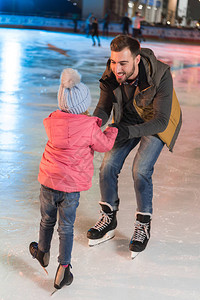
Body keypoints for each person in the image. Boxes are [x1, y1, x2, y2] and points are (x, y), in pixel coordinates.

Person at [87, 35, 182, 258]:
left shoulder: (161, 74)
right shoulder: (113, 73)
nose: (116, 69)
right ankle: (108, 217)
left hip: (155, 122)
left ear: (137, 60)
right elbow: (103, 108)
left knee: (140, 170)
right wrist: (90, 126)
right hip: (127, 120)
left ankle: (143, 224)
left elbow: (160, 121)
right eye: (113, 61)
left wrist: (126, 131)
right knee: (107, 166)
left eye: (123, 63)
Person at [29, 68, 118, 290]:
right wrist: (113, 129)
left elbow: (69, 128)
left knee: (46, 220)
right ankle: (63, 270)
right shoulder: (88, 126)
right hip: (70, 188)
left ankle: (42, 251)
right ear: (83, 106)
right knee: (66, 227)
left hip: (49, 181)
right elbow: (103, 145)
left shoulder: (52, 121)